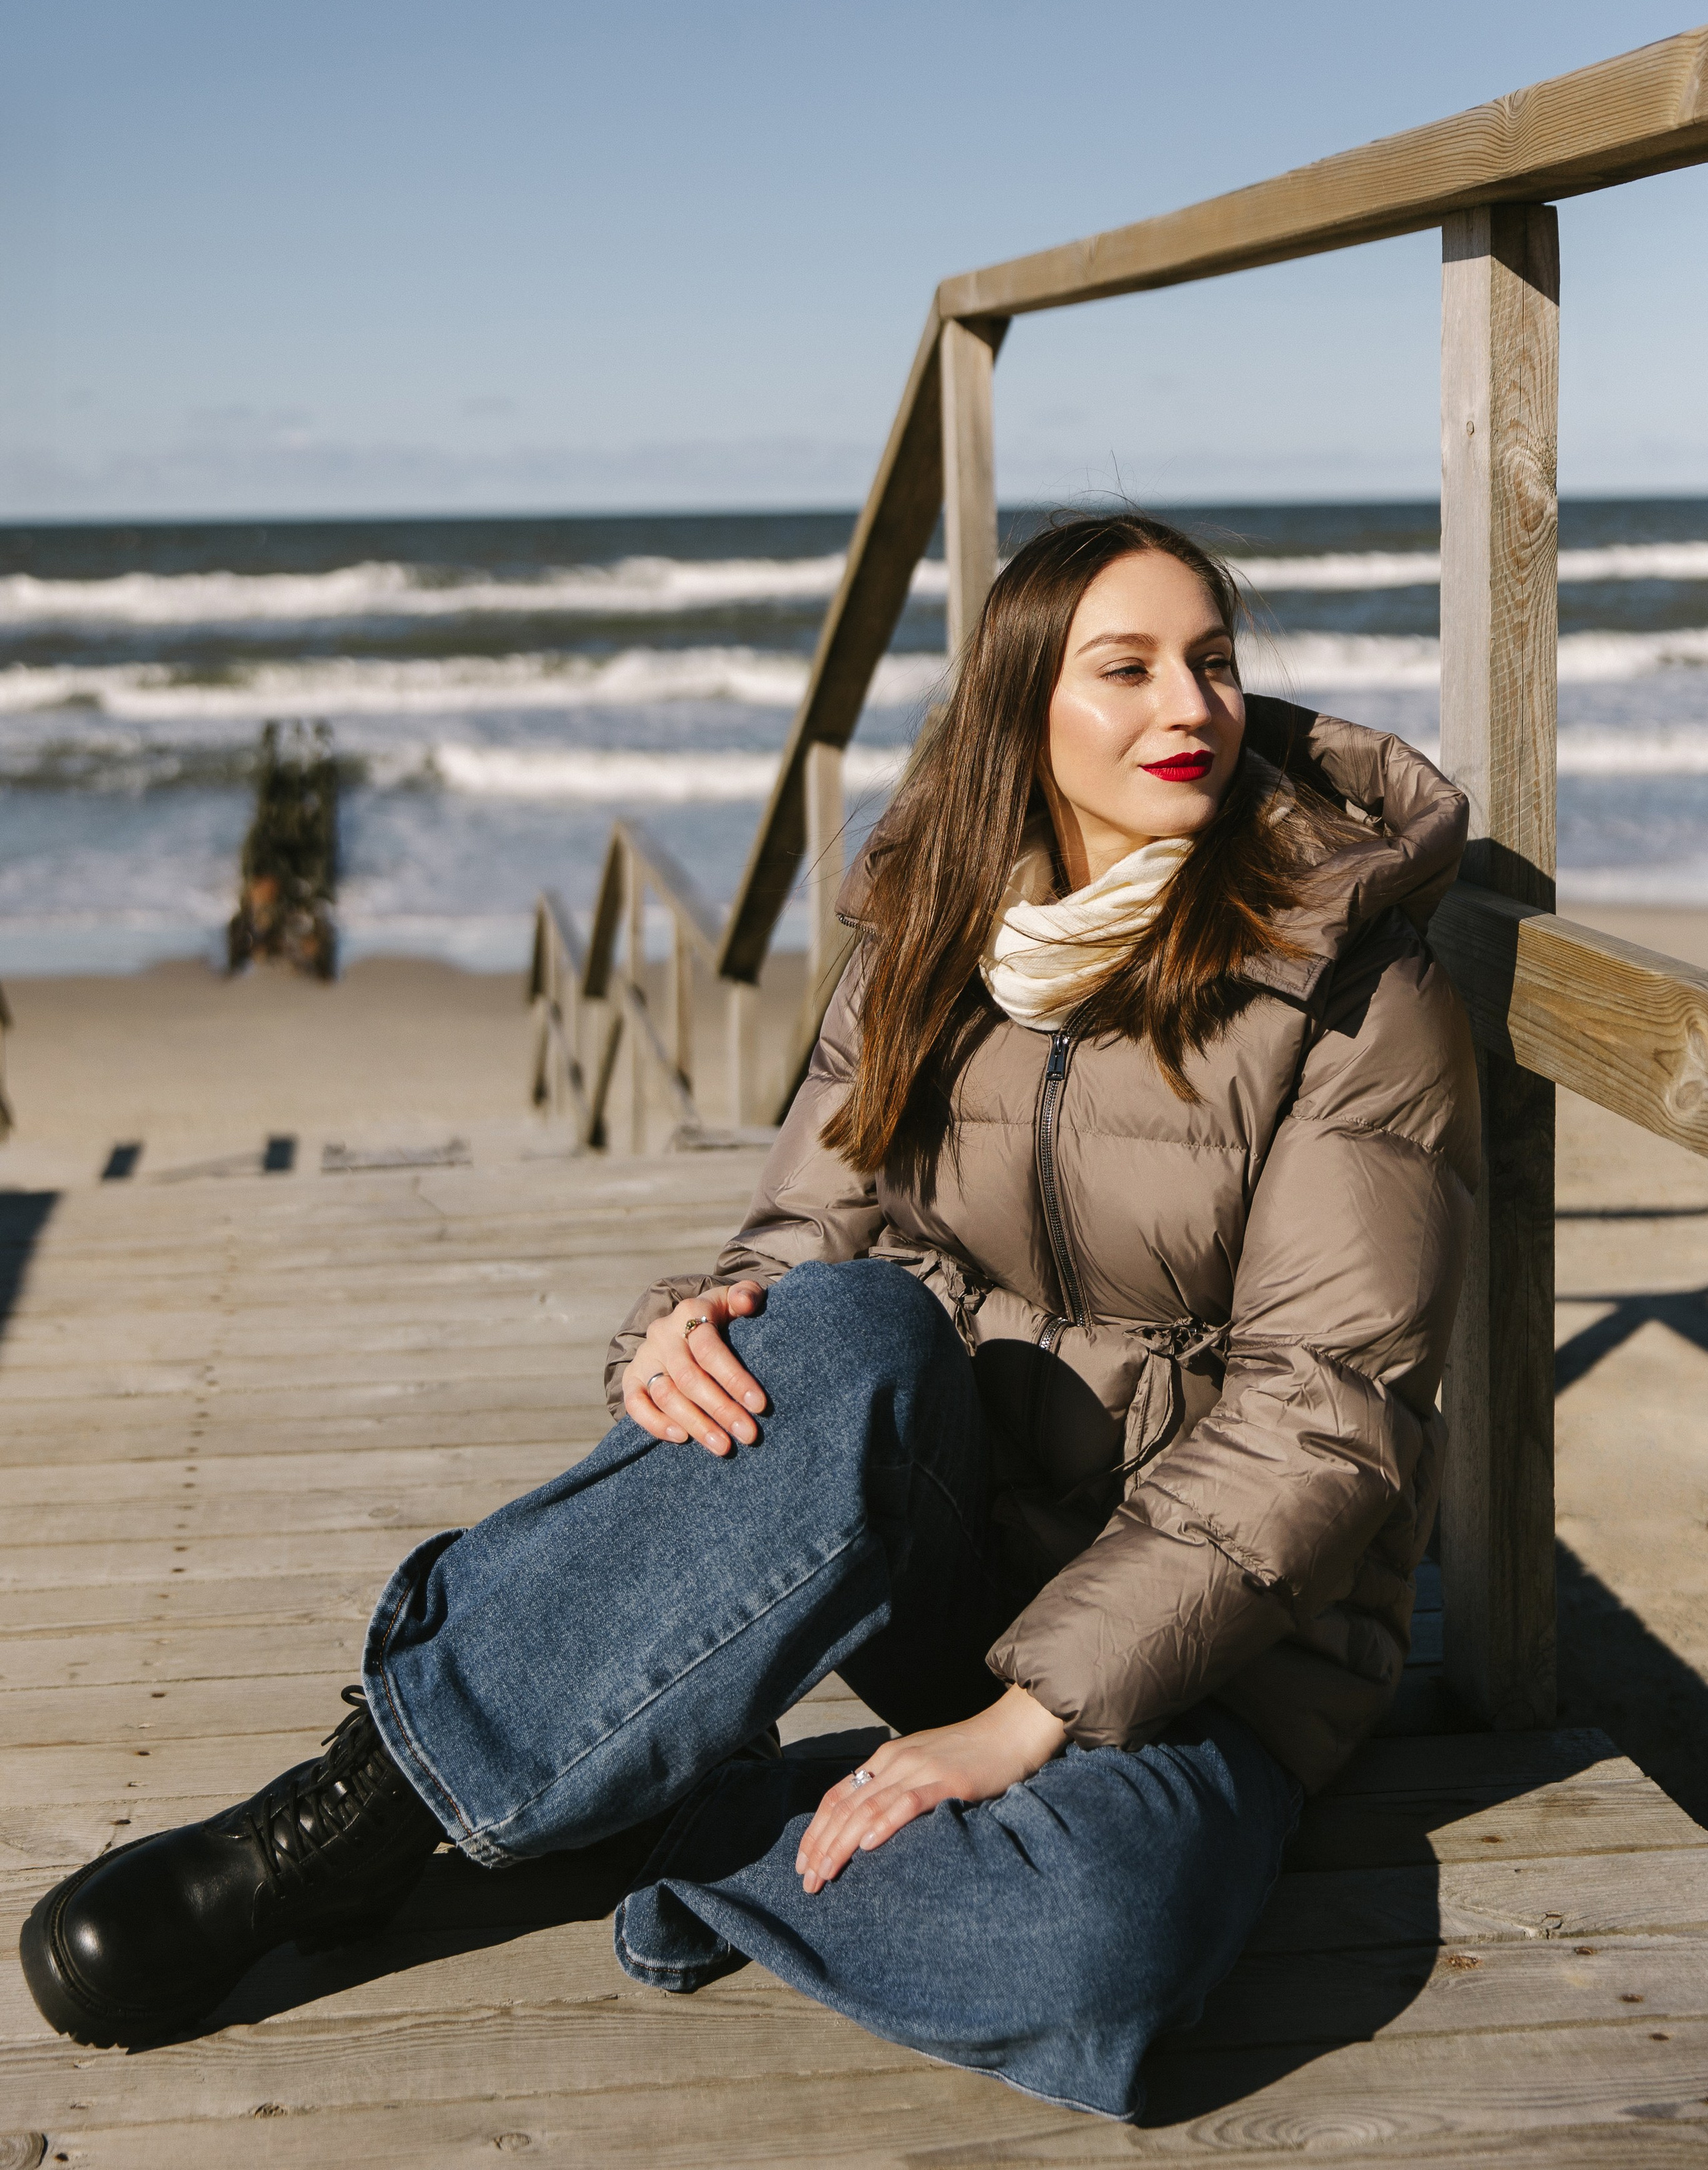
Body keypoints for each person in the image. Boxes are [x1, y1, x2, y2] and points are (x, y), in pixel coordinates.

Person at [21, 510, 1478, 2123]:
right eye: (1123, 669)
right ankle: (358, 1810)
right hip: (952, 1562)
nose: (1189, 708)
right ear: (1020, 708)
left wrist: (1026, 1720)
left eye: (1209, 662)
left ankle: (694, 1822)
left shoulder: (1357, 994)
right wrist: (690, 1326)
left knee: (1093, 1942)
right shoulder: (931, 931)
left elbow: (1323, 1417)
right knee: (843, 1331)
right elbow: (800, 1240)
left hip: (1215, 1661)